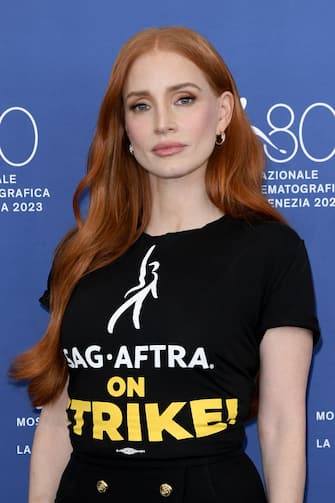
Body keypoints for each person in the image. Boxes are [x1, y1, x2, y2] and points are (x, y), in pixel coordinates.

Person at [11, 26, 319, 503]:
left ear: (222, 114)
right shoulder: (80, 253)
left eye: (183, 99)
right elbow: (56, 423)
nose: (162, 123)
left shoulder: (272, 251)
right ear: (124, 127)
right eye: (141, 105)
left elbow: (281, 423)